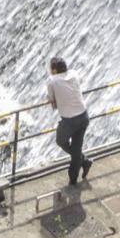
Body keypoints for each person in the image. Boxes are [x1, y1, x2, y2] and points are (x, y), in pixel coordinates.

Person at [47, 56, 91, 185]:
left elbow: (54, 105)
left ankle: (82, 163)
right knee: (76, 148)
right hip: (83, 116)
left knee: (60, 141)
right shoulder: (74, 73)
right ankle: (82, 165)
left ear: (54, 70)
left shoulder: (52, 81)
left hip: (69, 120)